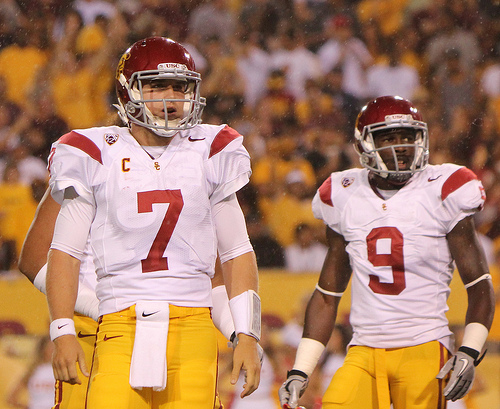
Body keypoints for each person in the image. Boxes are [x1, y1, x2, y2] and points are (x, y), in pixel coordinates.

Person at [43, 36, 261, 409]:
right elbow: (64, 253)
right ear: (128, 91)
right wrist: (61, 328)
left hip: (194, 326)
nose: (171, 98)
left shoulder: (209, 150)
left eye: (180, 87)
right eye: (157, 86)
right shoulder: (96, 152)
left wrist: (248, 334)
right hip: (118, 324)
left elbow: (239, 252)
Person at [278, 95, 495, 409]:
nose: (401, 146)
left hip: (423, 345)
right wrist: (301, 369)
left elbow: (479, 285)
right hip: (363, 349)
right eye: (389, 138)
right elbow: (328, 293)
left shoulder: (442, 188)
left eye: (408, 137)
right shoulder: (343, 193)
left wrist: (469, 351)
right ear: (364, 144)